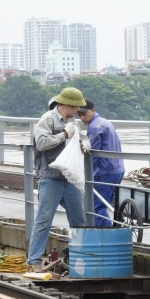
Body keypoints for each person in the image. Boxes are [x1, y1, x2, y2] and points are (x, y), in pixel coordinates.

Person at [27, 87, 91, 265]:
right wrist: (64, 134)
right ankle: (33, 260)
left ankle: (79, 259)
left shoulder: (72, 120)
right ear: (67, 105)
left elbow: (81, 137)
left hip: (69, 178)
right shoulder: (47, 119)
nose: (77, 111)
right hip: (50, 177)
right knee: (44, 219)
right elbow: (41, 143)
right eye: (75, 107)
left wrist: (85, 142)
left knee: (78, 220)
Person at [78, 100, 125, 227]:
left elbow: (92, 155)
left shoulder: (94, 127)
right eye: (79, 115)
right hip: (118, 169)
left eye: (84, 114)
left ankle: (101, 236)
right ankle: (111, 231)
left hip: (105, 172)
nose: (82, 118)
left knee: (96, 208)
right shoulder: (105, 122)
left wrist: (87, 175)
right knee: (103, 205)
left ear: (93, 110)